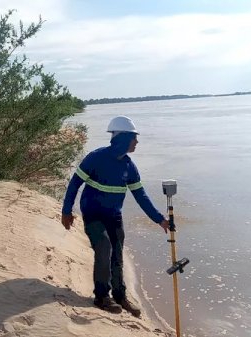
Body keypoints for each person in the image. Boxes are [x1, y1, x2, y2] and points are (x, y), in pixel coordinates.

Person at [61, 115, 170, 317]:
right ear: (123, 138)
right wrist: (66, 211)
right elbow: (75, 183)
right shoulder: (95, 158)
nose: (137, 142)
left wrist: (159, 219)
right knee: (103, 246)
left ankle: (120, 296)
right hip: (93, 214)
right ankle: (102, 296)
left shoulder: (129, 166)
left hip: (114, 216)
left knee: (117, 253)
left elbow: (141, 196)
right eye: (134, 138)